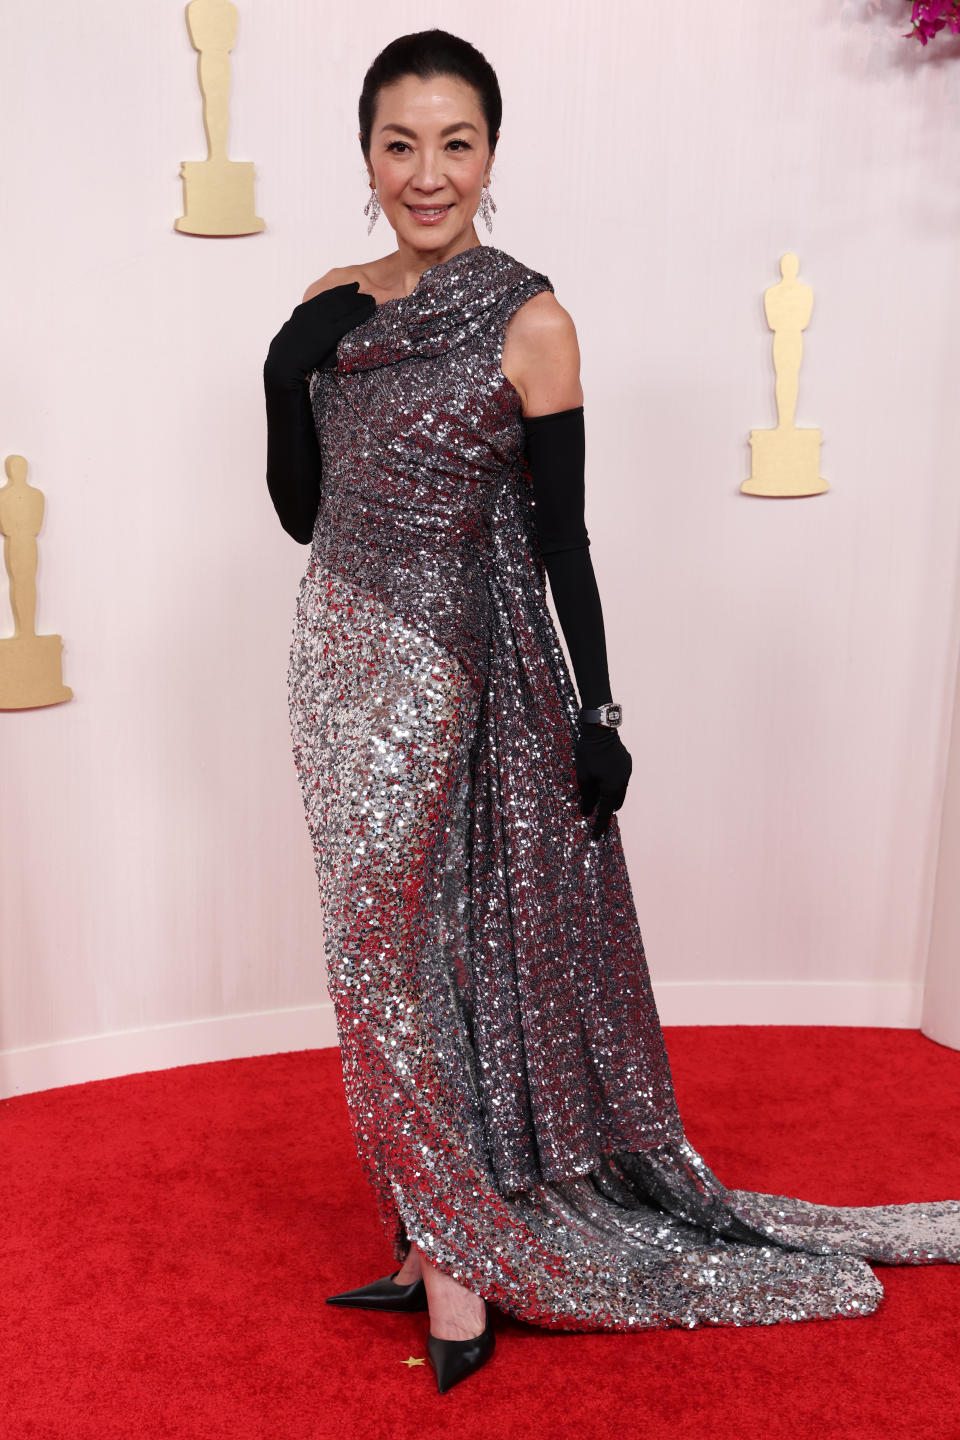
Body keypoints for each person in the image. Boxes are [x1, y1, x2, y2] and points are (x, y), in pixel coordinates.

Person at [264, 28, 960, 1396]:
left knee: (390, 950)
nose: (427, 172)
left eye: (455, 142)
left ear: (492, 156)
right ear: (364, 155)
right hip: (331, 653)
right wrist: (287, 365)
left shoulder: (534, 322)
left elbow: (561, 544)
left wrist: (599, 708)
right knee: (395, 953)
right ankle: (428, 1231)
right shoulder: (331, 302)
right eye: (400, 143)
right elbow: (304, 512)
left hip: (449, 668)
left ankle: (462, 1257)